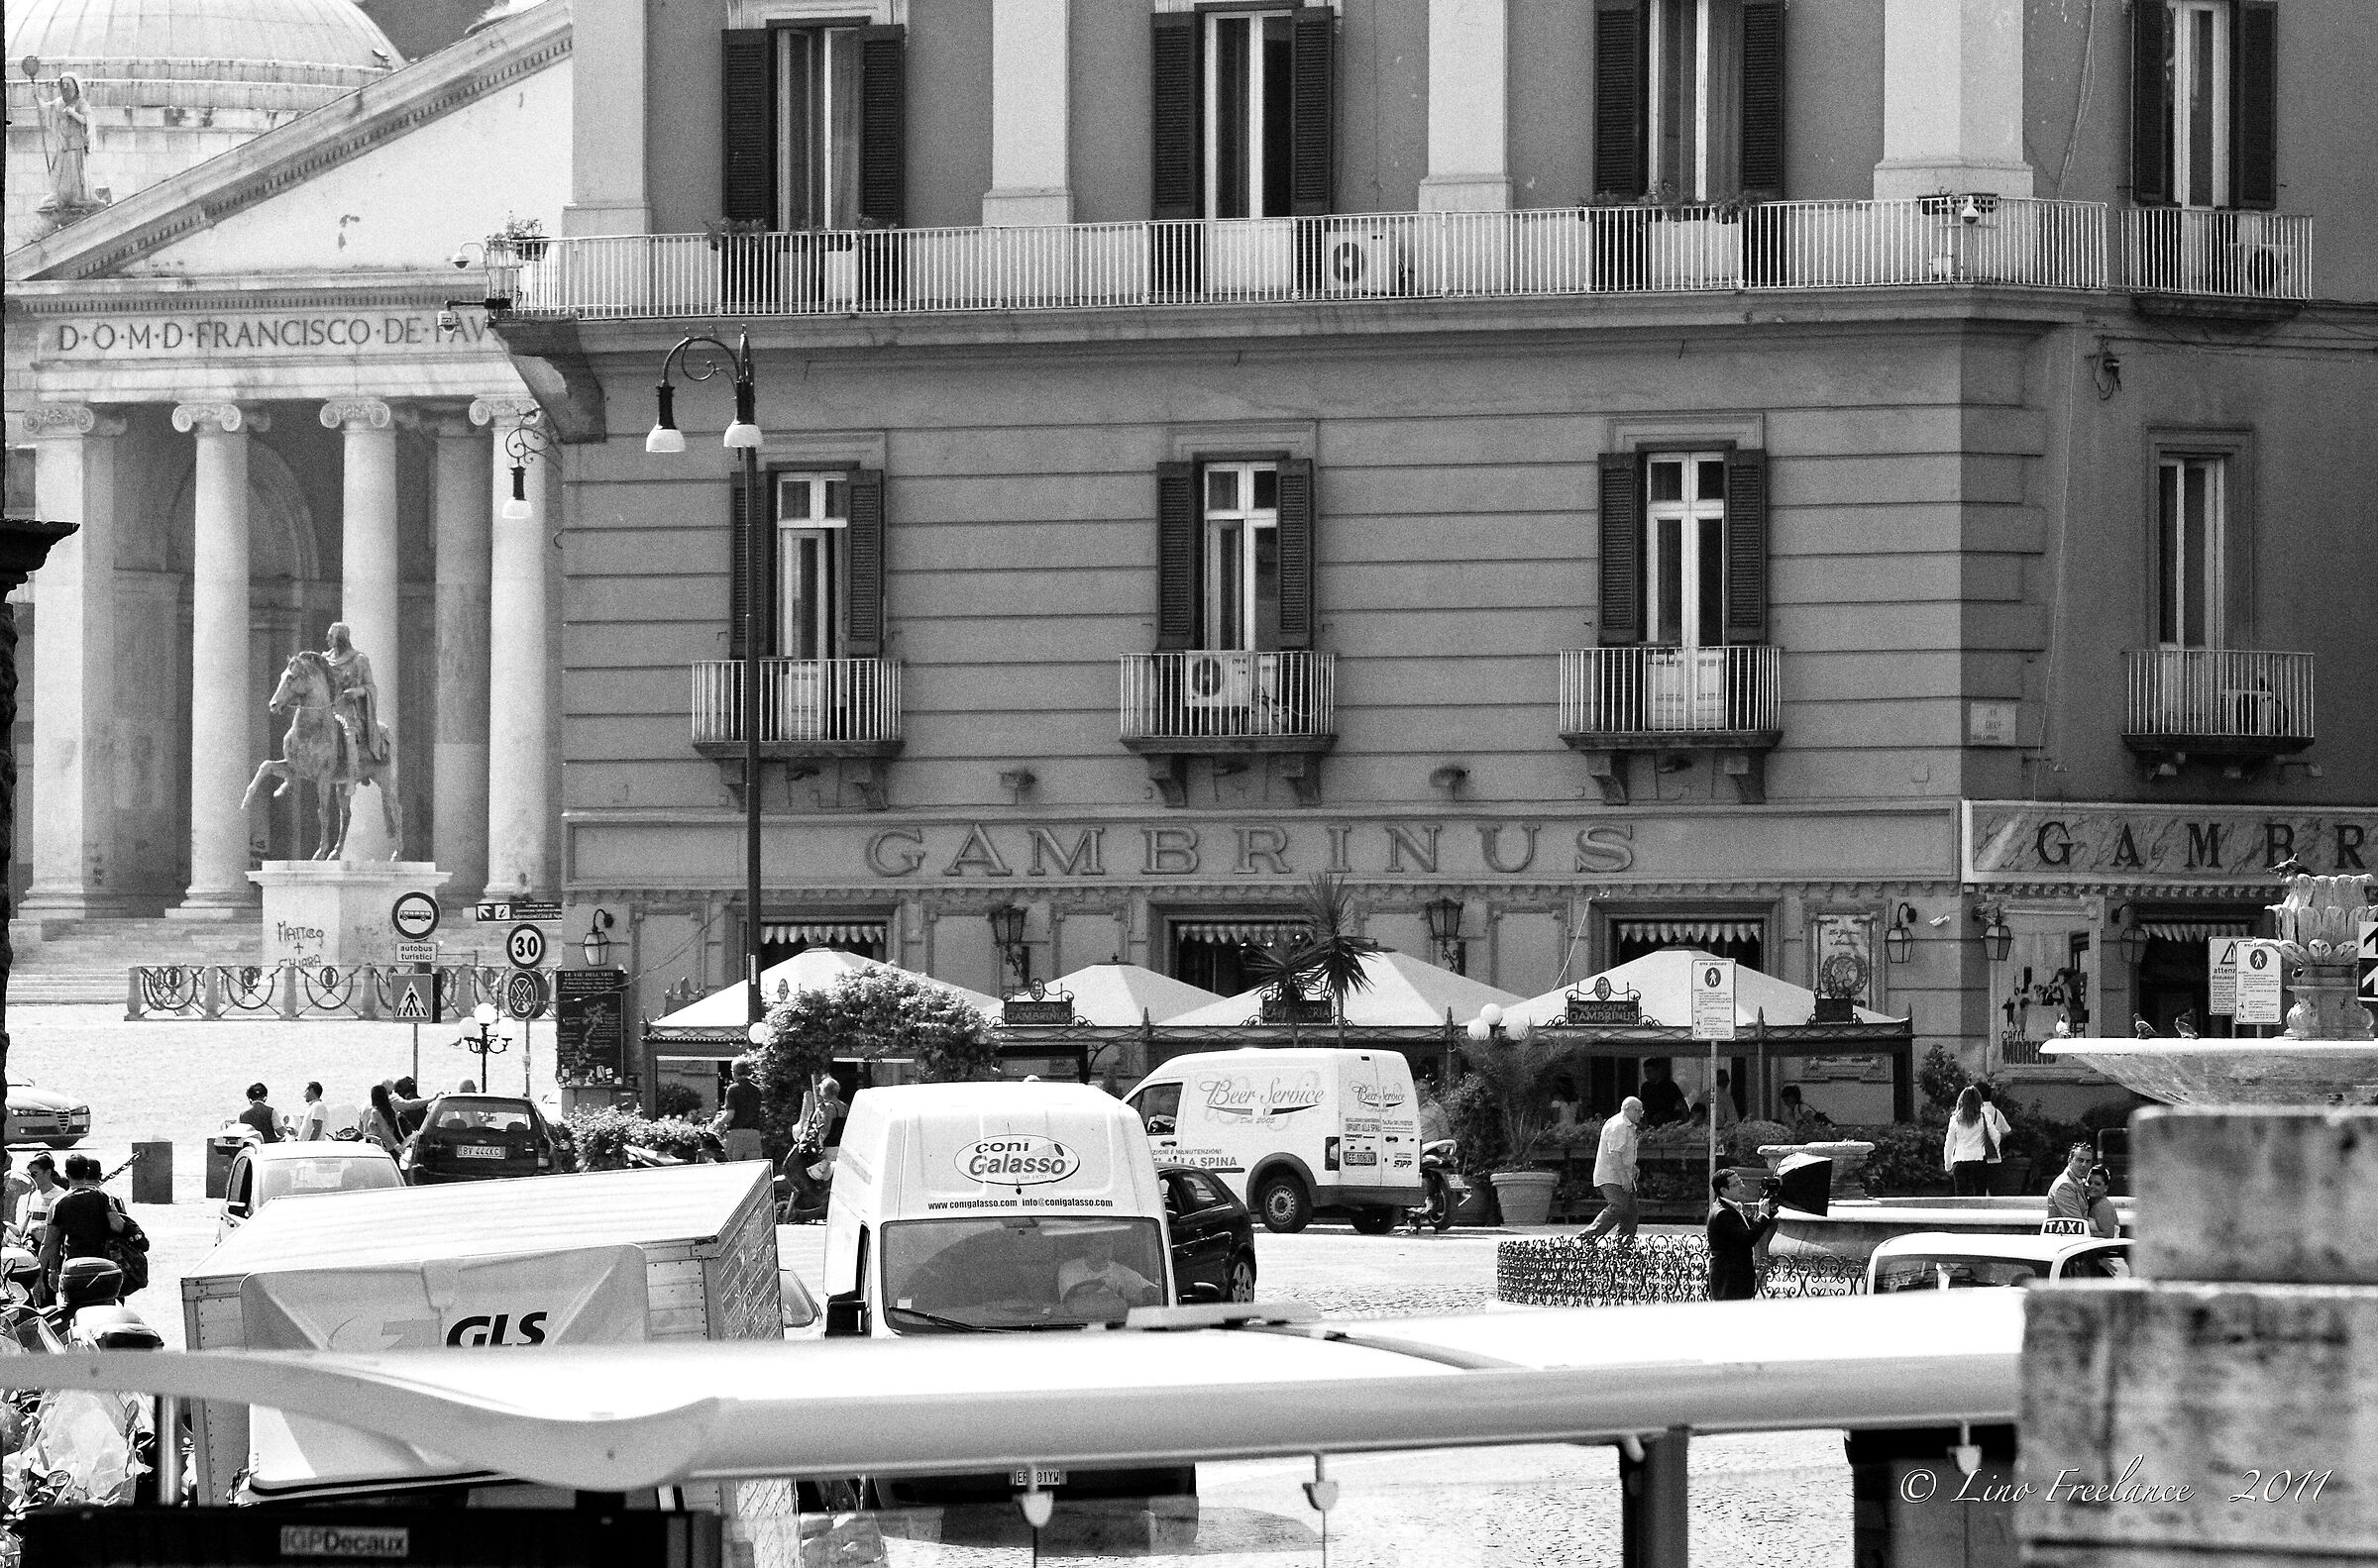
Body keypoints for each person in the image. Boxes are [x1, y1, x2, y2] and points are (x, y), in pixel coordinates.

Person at [39, 1155, 127, 1294]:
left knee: (73, 1309)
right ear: (87, 1172)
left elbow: (50, 1243)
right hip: (103, 1264)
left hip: (74, 1267)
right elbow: (118, 1226)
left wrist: (50, 1272)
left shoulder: (57, 1203)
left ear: (66, 1174)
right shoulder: (104, 1197)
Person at [1578, 1098, 1646, 1245]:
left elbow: (1623, 1153)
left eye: (1641, 1111)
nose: (1640, 1114)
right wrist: (1624, 1180)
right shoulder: (1619, 1126)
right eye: (1637, 1110)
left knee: (1631, 1212)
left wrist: (1632, 1167)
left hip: (1620, 1175)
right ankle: (1590, 1235)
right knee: (1619, 1206)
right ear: (1627, 1109)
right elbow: (1614, 1155)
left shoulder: (1627, 1126)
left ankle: (1624, 1245)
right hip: (1611, 1175)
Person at [1705, 1167, 1781, 1301]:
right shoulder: (1723, 1213)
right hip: (1729, 1283)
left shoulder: (1731, 1208)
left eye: (1740, 1182)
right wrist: (1763, 1215)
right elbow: (1747, 1239)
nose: (1742, 1186)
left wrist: (1769, 1209)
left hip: (1736, 1281)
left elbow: (1754, 1226)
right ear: (1723, 1190)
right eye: (1736, 1184)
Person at [322, 621, 388, 768]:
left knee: (349, 734)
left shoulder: (359, 660)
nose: (327, 639)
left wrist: (357, 691)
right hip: (327, 707)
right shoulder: (325, 659)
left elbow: (371, 687)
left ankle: (351, 774)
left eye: (331, 636)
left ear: (341, 638)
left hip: (348, 709)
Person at [1055, 1232, 1160, 1307]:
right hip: (1077, 1324)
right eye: (1099, 1244)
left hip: (1117, 1325)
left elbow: (1155, 1292)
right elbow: (1070, 1299)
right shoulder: (1069, 1269)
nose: (1106, 1248)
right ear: (1087, 1246)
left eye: (1109, 1243)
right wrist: (1104, 1283)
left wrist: (1130, 1291)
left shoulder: (1123, 1272)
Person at [1942, 1087, 1998, 1196]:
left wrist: (1948, 1164)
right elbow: (1995, 1136)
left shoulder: (1955, 1120)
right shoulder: (1984, 1118)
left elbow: (1949, 1144)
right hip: (1978, 1160)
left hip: (1960, 1160)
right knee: (1979, 1195)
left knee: (1961, 1195)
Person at [717, 1061, 767, 1162]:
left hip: (737, 1134)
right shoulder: (757, 1090)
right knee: (753, 1169)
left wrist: (718, 1124)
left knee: (733, 1169)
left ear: (734, 1072)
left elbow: (730, 1114)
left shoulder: (733, 1089)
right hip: (754, 1134)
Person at [1973, 1082, 2013, 1194]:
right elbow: (2007, 1131)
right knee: (1994, 1191)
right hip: (1994, 1156)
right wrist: (1995, 1138)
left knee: (1978, 1192)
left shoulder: (1974, 1113)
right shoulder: (1996, 1112)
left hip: (1976, 1157)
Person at [2045, 1142, 2098, 1224]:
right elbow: (2078, 1223)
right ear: (2070, 1160)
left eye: (2088, 1161)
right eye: (2080, 1160)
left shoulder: (2080, 1182)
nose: (2084, 1165)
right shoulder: (2064, 1185)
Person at [1637, 1060, 1690, 1127]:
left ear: (1658, 1070)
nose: (1647, 1075)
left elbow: (1682, 1106)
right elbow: (1643, 1106)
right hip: (1650, 1125)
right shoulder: (1645, 1087)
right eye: (1645, 1072)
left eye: (1649, 1071)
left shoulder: (1670, 1086)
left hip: (1668, 1125)